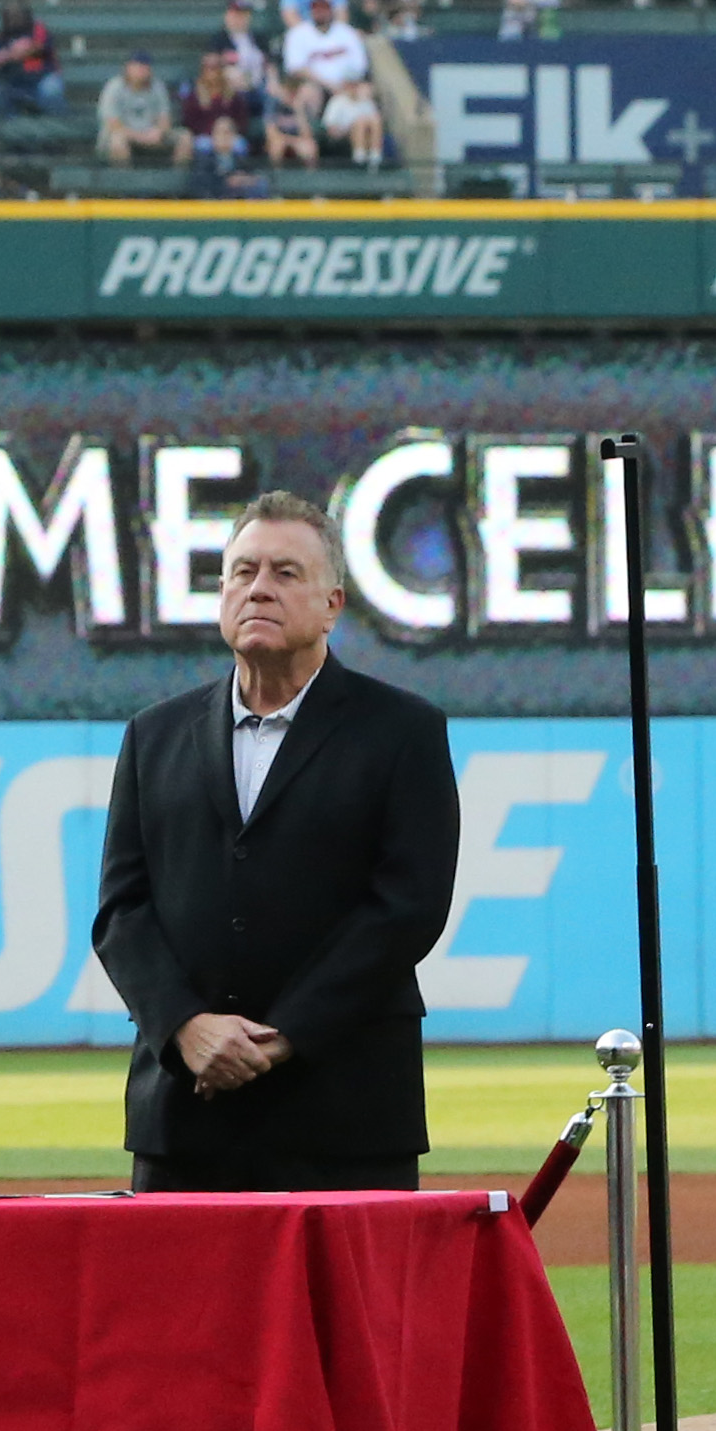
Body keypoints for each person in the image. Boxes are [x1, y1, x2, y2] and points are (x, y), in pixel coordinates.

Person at [88, 491, 460, 1194]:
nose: (258, 588)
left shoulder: (401, 731)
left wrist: (280, 1035)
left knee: (348, 1311)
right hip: (184, 1113)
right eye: (241, 572)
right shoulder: (153, 735)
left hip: (345, 1113)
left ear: (332, 604)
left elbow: (406, 908)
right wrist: (185, 1029)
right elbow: (121, 911)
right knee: (184, 1309)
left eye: (285, 573)